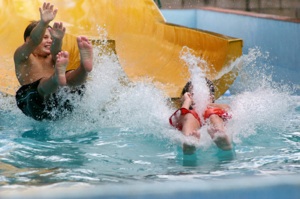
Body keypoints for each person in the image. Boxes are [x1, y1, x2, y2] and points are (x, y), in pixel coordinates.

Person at [14, 2, 93, 121]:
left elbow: (56, 51)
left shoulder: (52, 57)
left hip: (58, 102)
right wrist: (43, 23)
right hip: (34, 103)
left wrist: (57, 39)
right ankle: (56, 78)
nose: (49, 41)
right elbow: (34, 41)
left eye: (51, 38)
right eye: (45, 37)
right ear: (27, 40)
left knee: (69, 78)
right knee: (40, 87)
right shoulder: (23, 57)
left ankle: (84, 68)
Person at [169, 79, 232, 154]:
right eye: (192, 94)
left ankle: (221, 136)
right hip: (191, 121)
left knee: (212, 114)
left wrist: (213, 104)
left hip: (212, 119)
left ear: (211, 97)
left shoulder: (213, 107)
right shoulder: (186, 111)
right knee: (188, 116)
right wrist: (187, 101)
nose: (197, 96)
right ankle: (189, 142)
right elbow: (180, 114)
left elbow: (228, 109)